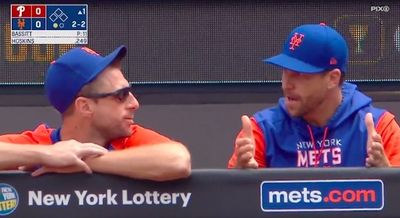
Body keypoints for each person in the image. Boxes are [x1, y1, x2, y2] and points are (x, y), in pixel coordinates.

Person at [0, 45, 191, 181]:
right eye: (121, 95)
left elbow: (177, 159)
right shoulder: (43, 144)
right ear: (85, 106)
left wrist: (82, 161)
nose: (134, 103)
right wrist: (46, 155)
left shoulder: (128, 139)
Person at [228, 23, 400, 168]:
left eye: (300, 74)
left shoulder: (380, 128)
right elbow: (227, 201)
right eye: (285, 72)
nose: (287, 84)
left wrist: (387, 178)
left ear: (333, 78)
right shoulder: (261, 130)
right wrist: (242, 182)